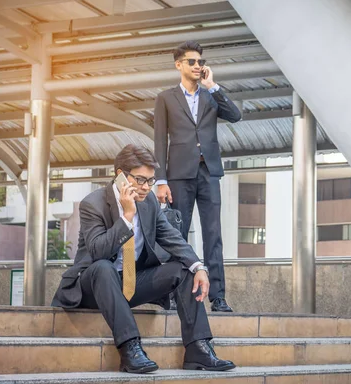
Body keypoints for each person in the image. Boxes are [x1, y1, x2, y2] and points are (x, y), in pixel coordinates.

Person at [51, 144, 235, 374]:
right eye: (140, 180)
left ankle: (198, 348)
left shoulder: (149, 204)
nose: (146, 187)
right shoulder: (93, 203)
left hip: (129, 285)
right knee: (103, 268)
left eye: (150, 181)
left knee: (184, 269)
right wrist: (127, 217)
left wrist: (199, 266)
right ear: (120, 175)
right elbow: (98, 251)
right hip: (92, 285)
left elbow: (172, 238)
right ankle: (131, 349)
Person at [154, 40, 241, 313]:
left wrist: (212, 86)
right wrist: (161, 180)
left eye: (200, 62)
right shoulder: (166, 98)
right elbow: (159, 142)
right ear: (178, 64)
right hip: (179, 174)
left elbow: (236, 116)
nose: (197, 66)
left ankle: (218, 297)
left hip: (209, 172)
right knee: (176, 234)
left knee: (213, 235)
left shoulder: (210, 96)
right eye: (191, 61)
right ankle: (169, 292)